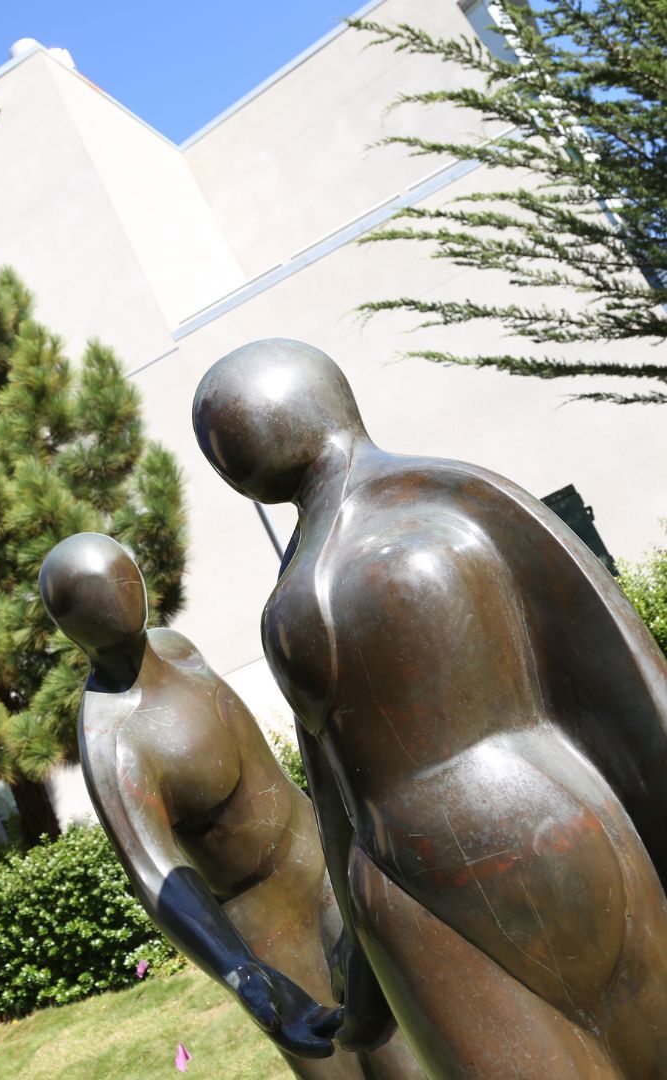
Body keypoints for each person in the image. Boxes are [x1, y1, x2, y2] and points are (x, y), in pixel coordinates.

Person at [191, 338, 667, 1076]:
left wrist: (361, 996)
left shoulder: (295, 601)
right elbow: (627, 675)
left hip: (425, 878)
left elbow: (337, 810)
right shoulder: (459, 493)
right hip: (564, 818)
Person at [39, 532, 420, 1079]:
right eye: (101, 591)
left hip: (323, 865)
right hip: (265, 921)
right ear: (71, 622)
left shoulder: (174, 648)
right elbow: (156, 874)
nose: (122, 595)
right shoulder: (112, 738)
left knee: (401, 1052)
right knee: (339, 1067)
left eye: (124, 577)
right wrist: (239, 968)